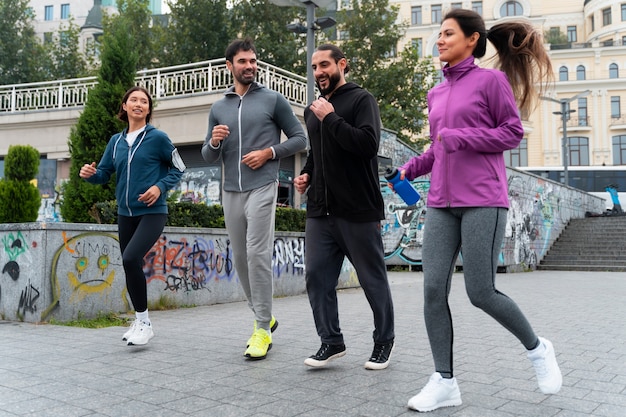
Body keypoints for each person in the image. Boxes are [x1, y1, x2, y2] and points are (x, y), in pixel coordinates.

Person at [393, 9, 562, 412]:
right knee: (433, 289)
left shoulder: (491, 80)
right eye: (438, 34)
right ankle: (444, 381)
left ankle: (538, 349)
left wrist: (461, 136)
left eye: (448, 33)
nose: (439, 40)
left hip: (483, 199)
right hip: (439, 202)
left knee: (480, 292)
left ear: (472, 39)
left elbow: (511, 131)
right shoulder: (436, 92)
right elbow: (438, 147)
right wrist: (408, 168)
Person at [201, 37, 307, 360]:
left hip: (263, 185)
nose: (250, 66)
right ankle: (265, 314)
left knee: (257, 253)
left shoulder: (273, 100)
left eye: (253, 61)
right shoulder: (219, 107)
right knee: (241, 258)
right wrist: (216, 142)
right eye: (243, 61)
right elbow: (207, 155)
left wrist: (268, 153)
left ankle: (262, 328)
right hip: (230, 189)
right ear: (229, 66)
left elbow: (301, 139)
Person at [293, 44, 395, 370]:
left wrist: (331, 117)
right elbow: (317, 151)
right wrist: (307, 173)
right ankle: (331, 342)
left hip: (358, 209)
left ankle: (383, 342)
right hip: (320, 210)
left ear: (341, 64)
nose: (319, 72)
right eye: (314, 67)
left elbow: (367, 145)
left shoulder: (361, 100)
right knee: (317, 278)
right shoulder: (313, 110)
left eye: (325, 64)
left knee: (372, 279)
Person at [80, 86, 185, 346]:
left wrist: (159, 187)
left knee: (130, 257)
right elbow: (104, 173)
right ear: (124, 106)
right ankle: (140, 320)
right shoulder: (115, 142)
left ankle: (145, 324)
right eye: (133, 100)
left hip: (152, 212)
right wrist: (92, 175)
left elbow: (179, 167)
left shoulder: (158, 138)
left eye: (144, 101)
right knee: (130, 265)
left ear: (148, 109)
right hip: (125, 213)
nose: (138, 104)